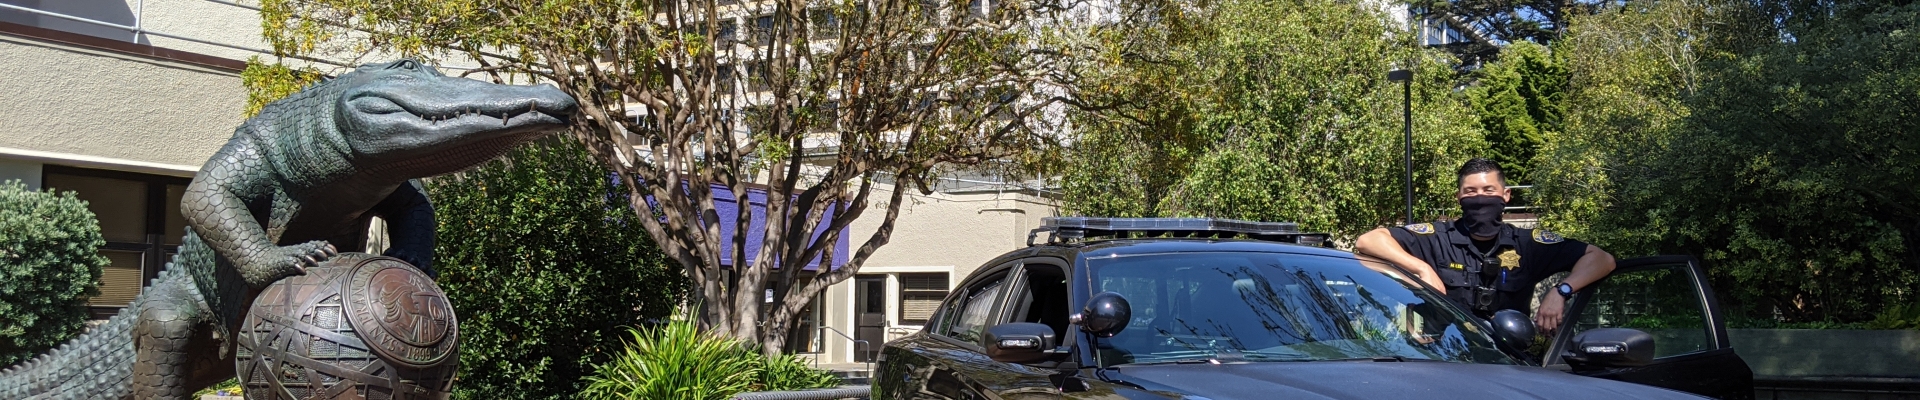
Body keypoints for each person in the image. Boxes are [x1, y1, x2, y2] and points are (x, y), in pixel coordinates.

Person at [1354, 158, 1615, 333]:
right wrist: (1423, 269)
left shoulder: (1528, 245)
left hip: (1511, 361)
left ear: (1506, 195)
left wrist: (1561, 291)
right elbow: (1368, 241)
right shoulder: (1436, 238)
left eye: (1489, 191)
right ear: (1458, 197)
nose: (1480, 198)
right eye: (1471, 192)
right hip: (1445, 359)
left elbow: (1602, 259)